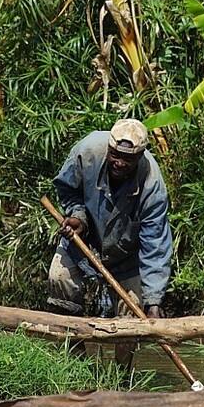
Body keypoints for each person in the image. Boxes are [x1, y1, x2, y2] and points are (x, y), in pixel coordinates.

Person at [47, 118, 172, 366]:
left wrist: (154, 302)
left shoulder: (152, 186)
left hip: (126, 257)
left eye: (128, 159)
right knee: (59, 278)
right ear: (109, 148)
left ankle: (121, 377)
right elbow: (67, 189)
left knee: (131, 312)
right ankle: (75, 363)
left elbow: (155, 245)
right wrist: (78, 218)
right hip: (82, 242)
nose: (119, 163)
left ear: (140, 156)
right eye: (115, 155)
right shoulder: (88, 151)